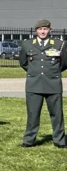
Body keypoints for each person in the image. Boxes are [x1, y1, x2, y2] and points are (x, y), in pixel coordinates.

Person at [19, 19, 66, 148]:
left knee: (57, 115)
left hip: (53, 84)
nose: (42, 31)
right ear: (36, 31)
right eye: (40, 29)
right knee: (33, 114)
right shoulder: (27, 44)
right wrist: (35, 73)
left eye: (45, 29)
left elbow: (64, 63)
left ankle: (60, 140)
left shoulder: (59, 44)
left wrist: (51, 72)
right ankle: (29, 140)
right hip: (34, 84)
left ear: (50, 30)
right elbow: (23, 62)